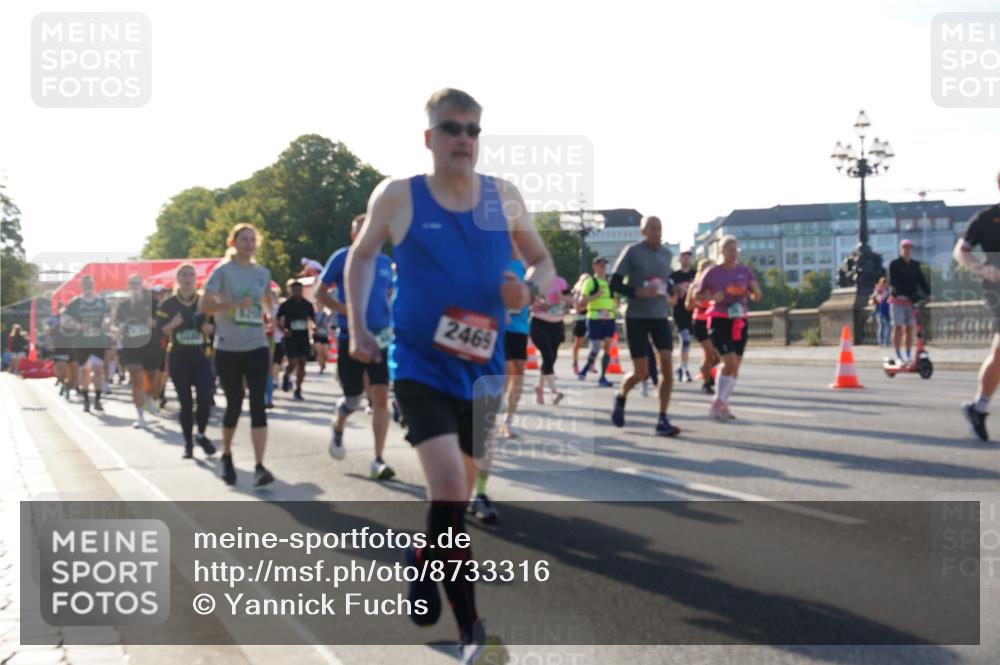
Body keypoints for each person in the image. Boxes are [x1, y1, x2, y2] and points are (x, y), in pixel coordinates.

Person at [345, 88, 554, 665]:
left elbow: (544, 261)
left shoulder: (503, 198)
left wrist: (530, 289)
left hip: (482, 369)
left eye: (472, 130)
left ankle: (422, 560)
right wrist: (361, 328)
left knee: (453, 502)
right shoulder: (398, 196)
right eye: (452, 127)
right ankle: (473, 634)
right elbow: (363, 256)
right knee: (450, 489)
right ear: (430, 137)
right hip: (419, 364)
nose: (464, 138)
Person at [317, 213, 396, 480]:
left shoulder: (386, 262)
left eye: (371, 229)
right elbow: (320, 293)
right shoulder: (342, 257)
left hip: (380, 337)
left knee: (381, 395)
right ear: (353, 235)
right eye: (360, 231)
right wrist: (347, 312)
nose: (367, 235)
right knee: (354, 398)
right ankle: (339, 422)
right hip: (349, 335)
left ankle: (378, 459)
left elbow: (387, 296)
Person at [199, 223, 275, 487]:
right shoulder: (223, 272)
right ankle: (228, 455)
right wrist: (232, 304)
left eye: (252, 239)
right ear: (233, 242)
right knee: (234, 403)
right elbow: (204, 305)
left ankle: (259, 465)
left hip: (256, 345)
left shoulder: (262, 273)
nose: (249, 244)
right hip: (229, 347)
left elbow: (266, 301)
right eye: (244, 239)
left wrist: (272, 309)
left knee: (258, 403)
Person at [609, 216, 680, 436]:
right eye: (653, 228)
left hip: (660, 317)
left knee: (667, 365)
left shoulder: (667, 254)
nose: (657, 232)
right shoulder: (632, 252)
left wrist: (673, 292)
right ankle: (621, 396)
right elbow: (614, 283)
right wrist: (637, 292)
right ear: (643, 231)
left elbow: (666, 281)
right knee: (642, 373)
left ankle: (662, 419)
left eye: (660, 228)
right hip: (636, 317)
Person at [954, 171, 1000, 442]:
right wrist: (981, 269)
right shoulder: (986, 219)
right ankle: (979, 407)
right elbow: (961, 250)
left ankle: (978, 408)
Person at [695, 236, 761, 420]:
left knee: (735, 366)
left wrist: (754, 293)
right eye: (729, 249)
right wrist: (714, 297)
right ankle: (719, 402)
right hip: (719, 320)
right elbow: (696, 296)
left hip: (739, 320)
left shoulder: (744, 271)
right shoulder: (713, 272)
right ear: (721, 251)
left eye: (735, 249)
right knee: (729, 363)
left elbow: (756, 292)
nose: (733, 253)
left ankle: (720, 402)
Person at [158, 263, 217, 459]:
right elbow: (160, 331)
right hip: (178, 358)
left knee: (204, 400)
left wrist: (209, 330)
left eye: (191, 275)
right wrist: (172, 325)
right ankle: (188, 444)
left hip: (202, 358)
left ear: (195, 279)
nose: (188, 278)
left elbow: (216, 328)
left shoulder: (205, 303)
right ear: (178, 279)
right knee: (186, 403)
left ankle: (200, 434)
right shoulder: (168, 304)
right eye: (184, 275)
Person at [115, 275, 163, 428]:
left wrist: (153, 322)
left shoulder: (153, 302)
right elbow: (116, 323)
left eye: (136, 283)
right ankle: (140, 416)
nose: (134, 286)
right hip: (131, 347)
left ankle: (150, 398)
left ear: (141, 285)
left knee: (152, 380)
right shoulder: (123, 305)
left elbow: (162, 322)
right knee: (136, 378)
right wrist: (117, 329)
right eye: (131, 284)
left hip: (151, 346)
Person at [63, 275, 110, 413]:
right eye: (85, 284)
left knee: (98, 370)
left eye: (90, 283)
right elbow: (64, 320)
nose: (88, 286)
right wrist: (77, 325)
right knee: (85, 372)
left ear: (94, 285)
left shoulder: (101, 302)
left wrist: (107, 322)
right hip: (81, 342)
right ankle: (86, 399)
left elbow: (110, 315)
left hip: (98, 341)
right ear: (81, 286)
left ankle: (98, 400)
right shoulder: (75, 303)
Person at [888, 239, 932, 365]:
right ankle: (898, 355)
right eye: (905, 248)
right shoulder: (894, 264)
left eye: (909, 248)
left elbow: (921, 280)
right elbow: (893, 282)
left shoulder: (915, 265)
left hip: (911, 301)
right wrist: (900, 294)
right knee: (898, 327)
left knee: (909, 328)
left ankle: (907, 355)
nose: (907, 250)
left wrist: (928, 293)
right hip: (898, 300)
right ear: (901, 249)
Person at [530, 274, 571, 406]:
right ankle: (554, 392)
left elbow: (571, 300)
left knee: (552, 358)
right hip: (539, 324)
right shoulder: (535, 281)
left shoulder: (561, 282)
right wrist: (539, 304)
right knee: (547, 356)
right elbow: (527, 298)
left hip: (557, 325)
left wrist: (561, 297)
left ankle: (539, 387)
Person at [576, 257, 618, 386]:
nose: (603, 268)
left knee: (607, 347)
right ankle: (585, 368)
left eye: (605, 265)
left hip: (609, 318)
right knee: (595, 347)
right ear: (594, 267)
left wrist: (614, 305)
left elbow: (614, 300)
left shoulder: (609, 283)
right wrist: (596, 295)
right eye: (600, 265)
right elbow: (582, 301)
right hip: (594, 317)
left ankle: (603, 377)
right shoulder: (590, 282)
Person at [277, 279, 315, 401]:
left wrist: (314, 326)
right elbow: (278, 319)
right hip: (290, 337)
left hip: (303, 337)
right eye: (294, 290)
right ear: (290, 291)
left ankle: (298, 389)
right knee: (293, 361)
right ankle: (287, 375)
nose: (297, 292)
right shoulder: (286, 305)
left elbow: (312, 319)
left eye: (299, 290)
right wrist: (284, 330)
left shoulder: (307, 305)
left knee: (303, 362)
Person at [685, 258, 719, 395]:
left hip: (715, 321)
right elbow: (687, 306)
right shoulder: (695, 286)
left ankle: (705, 370)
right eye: (705, 269)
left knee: (717, 357)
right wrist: (697, 301)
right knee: (710, 354)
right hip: (700, 322)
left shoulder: (717, 285)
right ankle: (706, 383)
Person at [670, 250, 697, 383]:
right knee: (685, 339)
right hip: (679, 311)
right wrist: (676, 291)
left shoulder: (695, 274)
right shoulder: (674, 276)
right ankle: (685, 368)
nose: (686, 260)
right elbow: (670, 292)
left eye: (688, 257)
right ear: (679, 260)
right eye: (683, 257)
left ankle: (680, 367)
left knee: (686, 341)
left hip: (692, 311)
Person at [570, 274, 590, 375]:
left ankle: (590, 364)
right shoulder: (577, 293)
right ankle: (575, 362)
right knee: (578, 343)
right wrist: (588, 306)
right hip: (580, 320)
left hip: (590, 319)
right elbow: (578, 308)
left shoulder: (589, 293)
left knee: (594, 342)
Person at [870, 276, 891, 348]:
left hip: (886, 309)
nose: (885, 284)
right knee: (881, 326)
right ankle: (881, 342)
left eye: (886, 283)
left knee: (887, 326)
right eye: (884, 283)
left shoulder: (888, 290)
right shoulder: (878, 290)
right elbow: (875, 299)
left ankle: (886, 342)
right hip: (879, 309)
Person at [313, 306, 332, 374]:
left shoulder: (326, 314)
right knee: (319, 352)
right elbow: (311, 323)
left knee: (325, 352)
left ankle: (323, 362)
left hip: (325, 336)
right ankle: (321, 366)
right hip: (317, 336)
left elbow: (329, 324)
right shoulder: (313, 314)